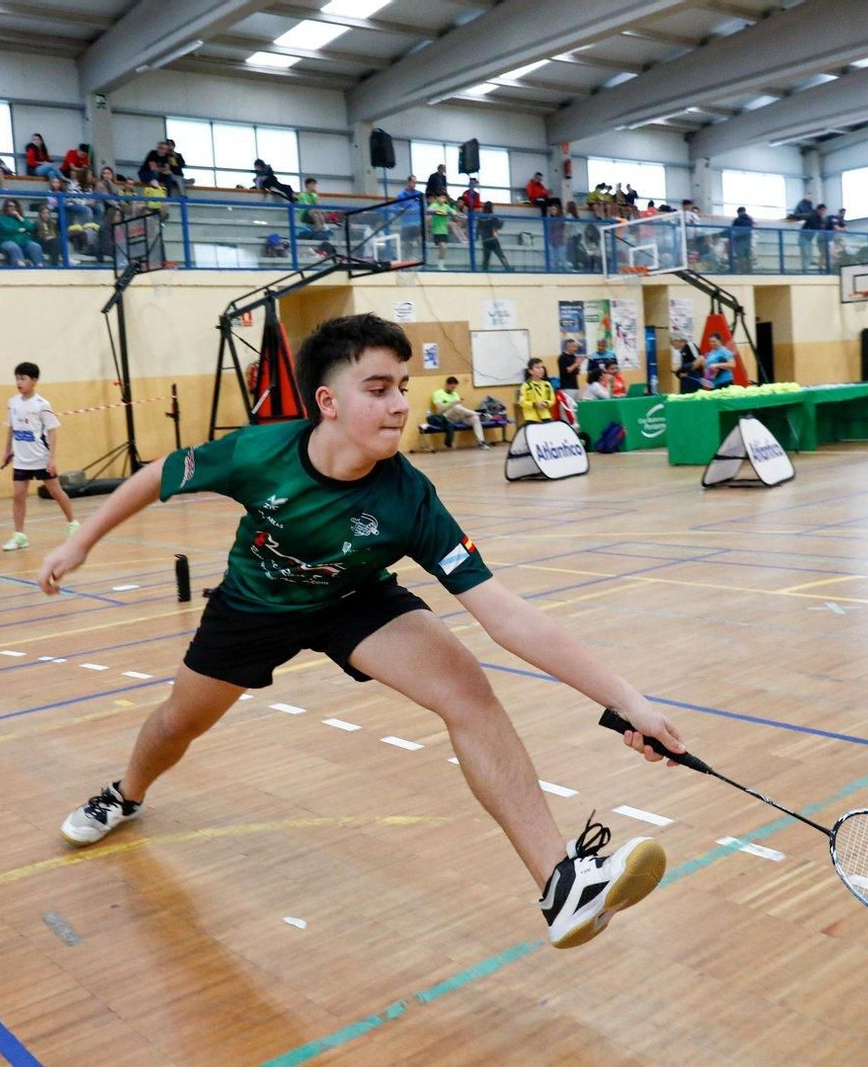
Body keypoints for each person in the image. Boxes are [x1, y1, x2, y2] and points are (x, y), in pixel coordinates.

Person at [37, 313, 682, 952]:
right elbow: (160, 473)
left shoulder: (409, 497)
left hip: (353, 595)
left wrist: (627, 701)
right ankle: (125, 793)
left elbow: (504, 614)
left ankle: (560, 885)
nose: (401, 404)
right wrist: (82, 539)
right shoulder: (260, 452)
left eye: (402, 386)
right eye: (378, 389)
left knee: (467, 689)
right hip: (255, 603)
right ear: (328, 402)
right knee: (180, 722)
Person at [0, 362, 78, 550]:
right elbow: (12, 428)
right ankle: (20, 536)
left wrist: (52, 458)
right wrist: (7, 450)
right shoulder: (13, 402)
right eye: (17, 378)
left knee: (55, 492)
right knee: (18, 496)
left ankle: (73, 524)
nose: (19, 382)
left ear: (34, 381)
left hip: (41, 457)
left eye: (23, 378)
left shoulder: (42, 405)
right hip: (21, 460)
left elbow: (52, 431)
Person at [431, 375, 489, 449]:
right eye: (452, 387)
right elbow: (440, 409)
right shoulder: (437, 393)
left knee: (475, 418)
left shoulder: (455, 394)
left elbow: (461, 409)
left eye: (455, 388)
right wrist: (452, 404)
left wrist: (457, 405)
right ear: (446, 385)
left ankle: (481, 442)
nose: (453, 389)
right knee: (456, 407)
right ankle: (480, 414)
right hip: (446, 417)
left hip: (458, 416)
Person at [0, 198, 45, 267]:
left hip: (24, 242)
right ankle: (21, 265)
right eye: (10, 206)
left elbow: (31, 228)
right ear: (6, 207)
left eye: (14, 206)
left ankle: (39, 266)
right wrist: (19, 230)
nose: (13, 208)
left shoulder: (20, 218)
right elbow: (6, 229)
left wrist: (19, 217)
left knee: (35, 246)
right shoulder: (1, 218)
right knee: (14, 246)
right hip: (7, 242)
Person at [517, 357, 555, 424]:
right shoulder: (526, 385)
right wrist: (535, 404)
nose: (541, 370)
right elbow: (522, 402)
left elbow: (552, 400)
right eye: (537, 368)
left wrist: (546, 403)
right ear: (531, 371)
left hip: (545, 415)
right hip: (531, 417)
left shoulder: (547, 384)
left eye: (542, 367)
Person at [478, 203, 510, 271]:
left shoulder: (480, 217)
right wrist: (502, 221)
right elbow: (499, 226)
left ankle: (484, 271)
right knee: (501, 256)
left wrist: (477, 237)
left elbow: (478, 228)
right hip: (493, 239)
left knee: (486, 259)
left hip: (484, 240)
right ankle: (508, 268)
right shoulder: (493, 216)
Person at [427, 192, 454, 264]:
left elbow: (453, 211)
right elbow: (428, 210)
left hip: (444, 231)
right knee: (443, 246)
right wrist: (438, 212)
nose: (443, 199)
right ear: (437, 198)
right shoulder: (434, 205)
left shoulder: (446, 206)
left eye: (444, 198)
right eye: (441, 197)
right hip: (436, 230)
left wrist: (453, 212)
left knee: (444, 248)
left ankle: (440, 263)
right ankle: (439, 261)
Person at [729, 206, 754, 272]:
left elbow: (732, 229)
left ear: (738, 212)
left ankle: (741, 271)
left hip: (739, 241)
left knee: (740, 257)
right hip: (748, 241)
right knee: (748, 257)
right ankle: (749, 271)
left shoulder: (737, 220)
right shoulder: (750, 220)